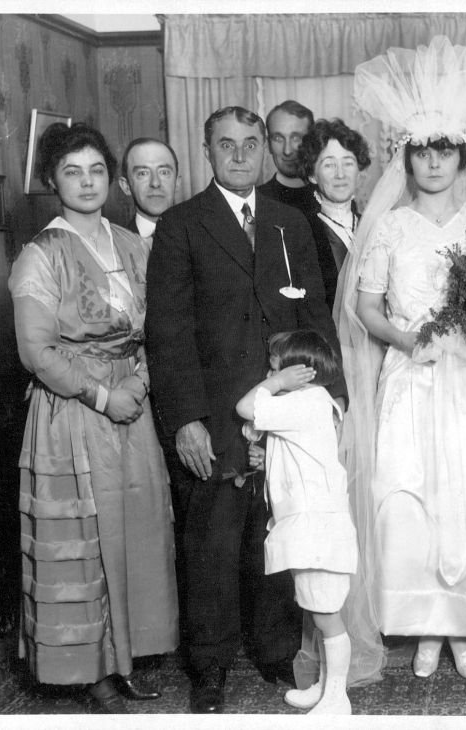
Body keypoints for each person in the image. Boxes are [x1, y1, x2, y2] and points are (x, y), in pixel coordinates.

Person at [145, 106, 345, 713]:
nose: (239, 155)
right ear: (207, 151)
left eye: (250, 144)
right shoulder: (181, 226)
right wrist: (185, 420)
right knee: (212, 546)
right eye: (226, 145)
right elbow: (169, 334)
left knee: (280, 535)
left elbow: (316, 321)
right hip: (217, 418)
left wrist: (334, 396)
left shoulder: (289, 223)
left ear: (264, 150)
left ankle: (275, 648)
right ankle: (209, 669)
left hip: (289, 417)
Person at [338, 36, 466, 682]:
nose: (434, 163)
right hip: (411, 375)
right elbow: (367, 307)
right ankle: (422, 627)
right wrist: (412, 342)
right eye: (423, 152)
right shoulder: (389, 227)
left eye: (445, 151)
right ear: (406, 159)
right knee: (405, 493)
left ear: (462, 158)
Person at [8, 122, 177, 713]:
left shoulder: (133, 243)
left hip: (134, 399)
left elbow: (161, 329)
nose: (86, 182)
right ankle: (92, 671)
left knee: (134, 533)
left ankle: (127, 659)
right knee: (87, 541)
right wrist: (104, 396)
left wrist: (139, 382)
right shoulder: (41, 253)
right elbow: (37, 352)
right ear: (52, 180)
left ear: (113, 178)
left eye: (97, 170)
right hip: (75, 413)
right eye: (72, 172)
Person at [235, 330, 357, 715]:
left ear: (298, 372)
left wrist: (276, 384)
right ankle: (325, 686)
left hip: (315, 526)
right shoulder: (311, 403)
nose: (269, 369)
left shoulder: (305, 402)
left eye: (275, 364)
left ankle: (338, 699)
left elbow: (245, 407)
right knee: (318, 610)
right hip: (309, 523)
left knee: (327, 616)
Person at [296, 118, 371, 310]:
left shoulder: (375, 227)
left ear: (359, 171)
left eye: (348, 163)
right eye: (329, 165)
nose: (340, 174)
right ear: (312, 175)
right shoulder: (301, 231)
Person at [117, 137, 180, 244]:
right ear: (126, 186)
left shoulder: (200, 238)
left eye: (164, 172)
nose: (155, 183)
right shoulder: (116, 246)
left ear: (177, 182)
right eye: (143, 173)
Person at [258, 100, 317, 213]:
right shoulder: (256, 201)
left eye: (296, 138)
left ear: (311, 142)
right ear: (269, 144)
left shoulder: (331, 196)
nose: (287, 151)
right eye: (278, 138)